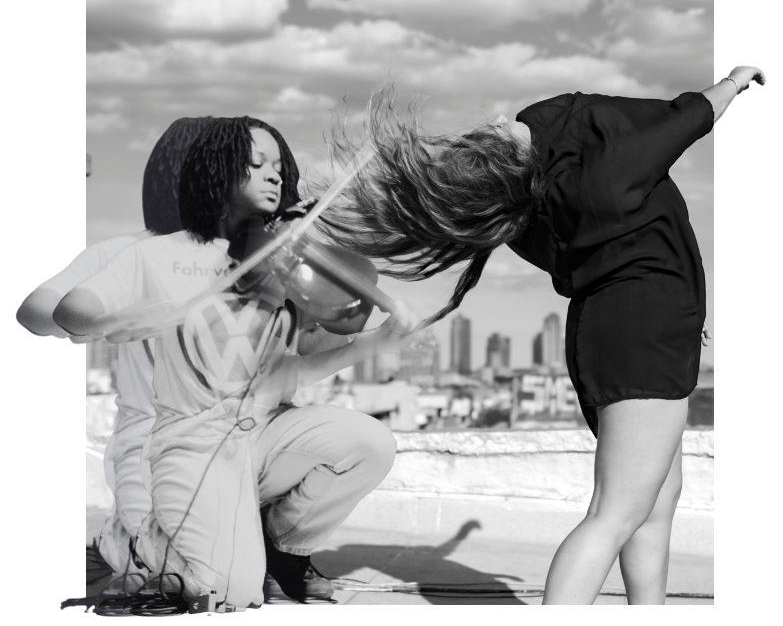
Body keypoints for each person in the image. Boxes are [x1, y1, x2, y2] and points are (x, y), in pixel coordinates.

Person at [317, 65, 765, 604]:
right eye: (493, 133)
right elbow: (689, 117)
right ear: (509, 159)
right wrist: (735, 81)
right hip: (645, 327)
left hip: (613, 327)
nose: (500, 118)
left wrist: (681, 311)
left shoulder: (528, 214)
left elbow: (622, 258)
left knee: (653, 502)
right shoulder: (606, 164)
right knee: (616, 511)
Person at [53, 116, 414, 610]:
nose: (276, 177)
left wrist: (373, 340)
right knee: (231, 596)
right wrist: (139, 316)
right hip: (190, 447)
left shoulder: (275, 260)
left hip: (258, 436)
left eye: (279, 168)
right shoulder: (155, 257)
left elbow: (297, 361)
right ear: (216, 173)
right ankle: (129, 544)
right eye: (256, 164)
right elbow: (66, 311)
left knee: (367, 442)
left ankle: (283, 548)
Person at [16, 117, 212, 590]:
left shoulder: (252, 257)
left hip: (236, 438)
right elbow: (35, 309)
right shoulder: (128, 253)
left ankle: (285, 550)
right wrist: (112, 319)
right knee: (174, 582)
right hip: (152, 444)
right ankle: (116, 539)